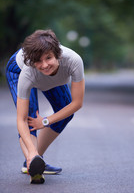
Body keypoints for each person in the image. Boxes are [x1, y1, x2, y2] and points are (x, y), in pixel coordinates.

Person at [6, 29, 85, 184]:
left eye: (49, 58)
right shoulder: (28, 73)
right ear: (33, 62)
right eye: (39, 61)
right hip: (17, 70)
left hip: (51, 77)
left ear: (58, 54)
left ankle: (37, 160)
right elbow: (21, 120)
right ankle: (33, 163)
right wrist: (30, 151)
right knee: (31, 118)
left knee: (66, 113)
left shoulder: (74, 61)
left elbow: (77, 103)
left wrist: (45, 121)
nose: (44, 65)